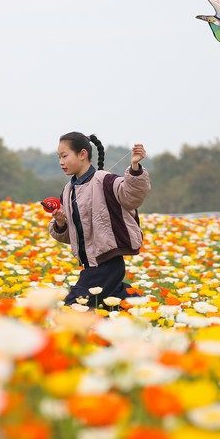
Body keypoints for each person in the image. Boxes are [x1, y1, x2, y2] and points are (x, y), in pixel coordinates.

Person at [48, 132, 150, 309]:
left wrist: (135, 167)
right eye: (59, 157)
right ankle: (145, 309)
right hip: (90, 265)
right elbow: (70, 235)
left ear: (82, 154)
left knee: (73, 306)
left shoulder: (105, 180)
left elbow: (132, 196)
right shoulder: (68, 190)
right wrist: (61, 223)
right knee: (115, 305)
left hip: (107, 262)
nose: (61, 162)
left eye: (64, 156)